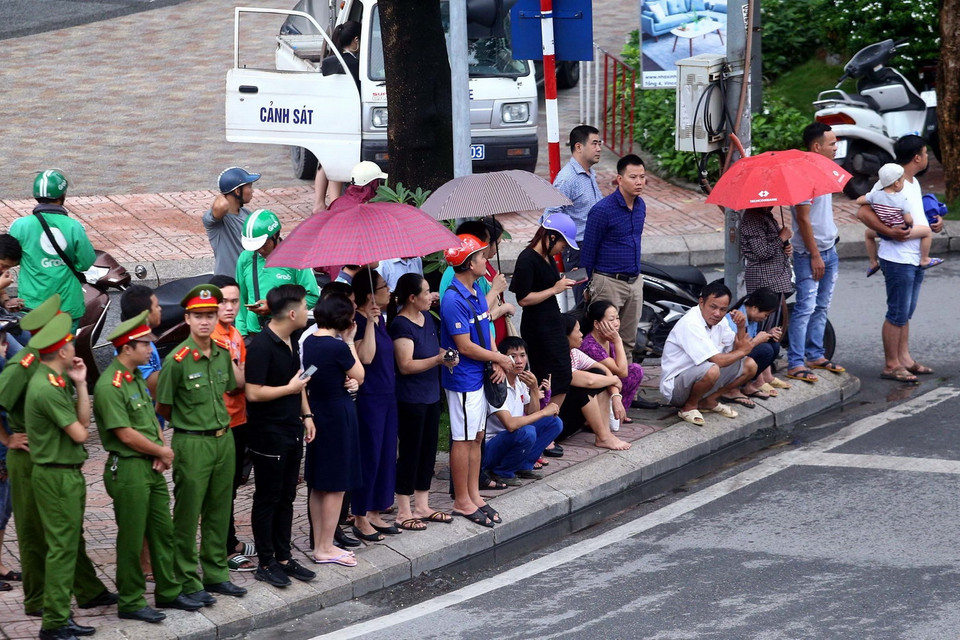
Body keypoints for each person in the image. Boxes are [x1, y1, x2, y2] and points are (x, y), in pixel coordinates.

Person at [0, 295, 116, 623]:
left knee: (66, 531)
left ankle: (88, 589)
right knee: (36, 532)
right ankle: (39, 600)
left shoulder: (52, 364)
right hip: (29, 456)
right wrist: (8, 438)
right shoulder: (24, 365)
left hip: (50, 448)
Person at [94, 311, 205, 623]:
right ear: (127, 348)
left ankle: (168, 590)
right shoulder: (110, 385)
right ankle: (130, 600)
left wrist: (159, 448)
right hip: (128, 469)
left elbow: (151, 418)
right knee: (132, 538)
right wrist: (162, 451)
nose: (151, 349)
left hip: (150, 466)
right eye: (145, 344)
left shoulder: (133, 377)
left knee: (162, 531)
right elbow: (124, 433)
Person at [156, 284, 246, 605]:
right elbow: (164, 406)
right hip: (192, 442)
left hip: (224, 439)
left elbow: (236, 387)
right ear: (187, 319)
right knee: (188, 512)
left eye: (210, 315)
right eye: (199, 316)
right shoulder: (177, 361)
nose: (205, 322)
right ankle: (186, 578)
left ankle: (216, 573)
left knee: (220, 510)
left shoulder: (222, 354)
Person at [24, 313, 100, 639]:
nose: (73, 345)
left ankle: (59, 615)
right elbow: (81, 434)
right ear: (62, 351)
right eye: (70, 342)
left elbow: (83, 422)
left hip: (66, 472)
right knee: (61, 549)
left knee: (66, 545)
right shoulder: (46, 388)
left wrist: (81, 383)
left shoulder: (57, 381)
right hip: (55, 476)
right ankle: (54, 622)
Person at [440, 234, 516, 527]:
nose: (487, 260)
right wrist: (497, 359)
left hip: (477, 376)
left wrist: (495, 357)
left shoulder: (472, 293)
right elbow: (465, 346)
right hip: (463, 379)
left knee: (478, 437)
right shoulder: (452, 299)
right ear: (470, 263)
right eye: (482, 256)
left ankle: (473, 493)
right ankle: (462, 500)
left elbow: (484, 329)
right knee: (464, 439)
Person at [244, 284, 317, 587]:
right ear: (291, 312)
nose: (307, 311)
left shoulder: (293, 340)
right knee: (268, 497)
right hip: (268, 433)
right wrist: (288, 390)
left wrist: (307, 414)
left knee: (287, 494)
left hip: (291, 428)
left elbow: (298, 381)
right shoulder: (261, 346)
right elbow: (253, 392)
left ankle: (284, 557)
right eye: (303, 306)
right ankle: (266, 561)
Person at [856, 135, 943, 383]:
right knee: (896, 313)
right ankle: (891, 364)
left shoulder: (912, 183)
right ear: (917, 157)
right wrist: (887, 232)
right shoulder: (890, 182)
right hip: (897, 259)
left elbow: (914, 214)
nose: (927, 157)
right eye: (926, 153)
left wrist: (934, 222)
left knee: (906, 312)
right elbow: (861, 211)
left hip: (915, 257)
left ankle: (904, 359)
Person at [302, 294, 364, 566]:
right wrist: (350, 341)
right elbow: (359, 374)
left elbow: (310, 375)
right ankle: (326, 546)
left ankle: (320, 542)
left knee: (318, 483)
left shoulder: (311, 342)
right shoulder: (337, 346)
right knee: (337, 484)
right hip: (338, 413)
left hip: (317, 411)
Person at [389, 273, 453, 530]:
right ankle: (404, 511)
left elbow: (429, 349)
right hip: (411, 399)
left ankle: (423, 505)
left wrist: (445, 355)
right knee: (410, 453)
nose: (430, 296)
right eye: (426, 292)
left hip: (430, 394)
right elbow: (405, 364)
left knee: (427, 451)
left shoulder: (425, 317)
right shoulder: (400, 325)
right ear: (412, 298)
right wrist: (438, 361)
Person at [659, 280, 766, 426]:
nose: (717, 313)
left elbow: (736, 350)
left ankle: (708, 401)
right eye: (713, 307)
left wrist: (741, 327)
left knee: (749, 365)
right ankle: (689, 407)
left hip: (701, 376)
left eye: (723, 309)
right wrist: (744, 349)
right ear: (701, 302)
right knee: (713, 369)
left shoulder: (719, 321)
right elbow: (719, 360)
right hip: (676, 389)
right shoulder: (691, 323)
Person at [786, 123, 844, 383]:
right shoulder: (802, 176)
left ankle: (815, 354)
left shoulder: (824, 171)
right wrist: (815, 255)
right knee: (806, 307)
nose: (836, 147)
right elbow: (804, 219)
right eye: (832, 143)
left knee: (822, 306)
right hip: (810, 255)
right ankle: (796, 362)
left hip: (829, 250)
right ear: (816, 146)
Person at [207, 274, 255, 572]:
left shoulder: (234, 333)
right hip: (219, 426)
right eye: (223, 301)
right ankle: (221, 548)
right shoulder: (211, 338)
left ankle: (230, 538)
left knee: (233, 485)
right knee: (220, 489)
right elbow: (237, 382)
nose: (229, 307)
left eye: (235, 301)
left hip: (239, 420)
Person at [580, 154, 647, 362]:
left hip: (634, 281)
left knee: (627, 340)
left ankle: (624, 389)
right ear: (619, 179)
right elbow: (588, 251)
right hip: (607, 282)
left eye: (642, 177)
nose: (639, 182)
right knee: (603, 339)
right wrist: (587, 285)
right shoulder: (602, 210)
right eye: (633, 177)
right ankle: (605, 390)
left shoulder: (640, 206)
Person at [9, 169, 96, 328]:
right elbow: (85, 262)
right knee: (65, 351)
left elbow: (10, 260)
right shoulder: (74, 227)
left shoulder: (19, 226)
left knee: (34, 349)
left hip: (32, 305)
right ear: (62, 196)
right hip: (67, 306)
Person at [349, 268, 400, 541]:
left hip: (387, 395)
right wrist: (368, 322)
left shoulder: (381, 319)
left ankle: (378, 509)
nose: (388, 291)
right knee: (370, 454)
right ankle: (360, 514)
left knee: (386, 453)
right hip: (369, 398)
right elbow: (365, 358)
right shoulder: (358, 320)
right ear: (370, 294)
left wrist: (376, 320)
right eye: (383, 287)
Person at [510, 213, 578, 412]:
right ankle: (544, 423)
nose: (562, 249)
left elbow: (549, 283)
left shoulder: (548, 256)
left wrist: (564, 280)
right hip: (538, 327)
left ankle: (551, 421)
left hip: (553, 321)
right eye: (562, 245)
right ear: (552, 236)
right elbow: (523, 299)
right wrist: (554, 289)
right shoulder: (527, 259)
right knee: (547, 376)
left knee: (563, 375)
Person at [483, 337, 562, 485]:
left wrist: (533, 389)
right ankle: (502, 472)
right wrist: (545, 412)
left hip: (512, 438)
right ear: (502, 358)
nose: (519, 361)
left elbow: (532, 415)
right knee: (528, 431)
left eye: (522, 355)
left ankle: (523, 465)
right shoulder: (496, 382)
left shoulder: (519, 380)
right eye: (512, 356)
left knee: (554, 422)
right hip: (490, 447)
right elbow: (510, 424)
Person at [542, 125, 604, 303]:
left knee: (597, 301)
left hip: (593, 245)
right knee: (584, 303)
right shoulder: (567, 179)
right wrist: (565, 242)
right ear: (579, 147)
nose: (599, 148)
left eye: (599, 143)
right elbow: (550, 216)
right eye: (594, 143)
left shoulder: (590, 173)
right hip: (577, 250)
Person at [235, 208, 320, 337]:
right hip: (253, 335)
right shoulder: (245, 258)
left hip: (286, 335)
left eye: (264, 244)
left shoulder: (295, 257)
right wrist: (241, 333)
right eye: (255, 246)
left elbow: (312, 295)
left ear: (275, 235)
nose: (260, 249)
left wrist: (276, 306)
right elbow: (240, 296)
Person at [556, 314, 631, 450]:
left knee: (600, 375)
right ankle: (603, 437)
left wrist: (615, 397)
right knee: (584, 388)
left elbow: (605, 370)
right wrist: (613, 379)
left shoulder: (574, 353)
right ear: (565, 336)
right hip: (558, 425)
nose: (581, 334)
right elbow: (589, 381)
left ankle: (605, 433)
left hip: (573, 420)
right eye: (577, 331)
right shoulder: (557, 360)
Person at [439, 219, 515, 347]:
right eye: (486, 242)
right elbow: (479, 315)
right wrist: (496, 292)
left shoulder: (474, 283)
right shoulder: (456, 281)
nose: (489, 246)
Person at [314, 22, 363, 213]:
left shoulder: (329, 62)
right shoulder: (356, 65)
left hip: (328, 117)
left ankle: (319, 203)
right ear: (356, 41)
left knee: (325, 162)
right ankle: (335, 203)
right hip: (347, 119)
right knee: (338, 160)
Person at [860, 162, 941, 272]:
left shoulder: (876, 195)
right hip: (901, 231)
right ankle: (925, 259)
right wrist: (910, 223)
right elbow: (908, 219)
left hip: (883, 231)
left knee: (868, 234)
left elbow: (859, 201)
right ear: (897, 184)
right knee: (926, 231)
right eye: (903, 180)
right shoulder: (901, 199)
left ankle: (873, 262)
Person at [720, 288, 786, 407]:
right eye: (765, 315)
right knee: (765, 350)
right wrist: (757, 341)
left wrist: (769, 334)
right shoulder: (735, 319)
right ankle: (731, 389)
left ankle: (747, 385)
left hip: (741, 358)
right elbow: (735, 351)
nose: (765, 318)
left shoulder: (752, 318)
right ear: (755, 308)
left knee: (774, 346)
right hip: (727, 363)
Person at [579, 300, 645, 417]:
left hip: (611, 383)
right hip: (596, 387)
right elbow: (622, 372)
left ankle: (620, 413)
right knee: (632, 370)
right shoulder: (590, 346)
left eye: (617, 318)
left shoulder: (608, 339)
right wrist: (618, 341)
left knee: (635, 370)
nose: (616, 323)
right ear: (597, 324)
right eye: (611, 320)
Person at [204, 167, 260, 276]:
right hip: (227, 284)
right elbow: (222, 206)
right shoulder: (216, 221)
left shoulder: (246, 213)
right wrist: (225, 192)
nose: (252, 191)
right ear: (237, 191)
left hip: (247, 281)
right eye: (249, 187)